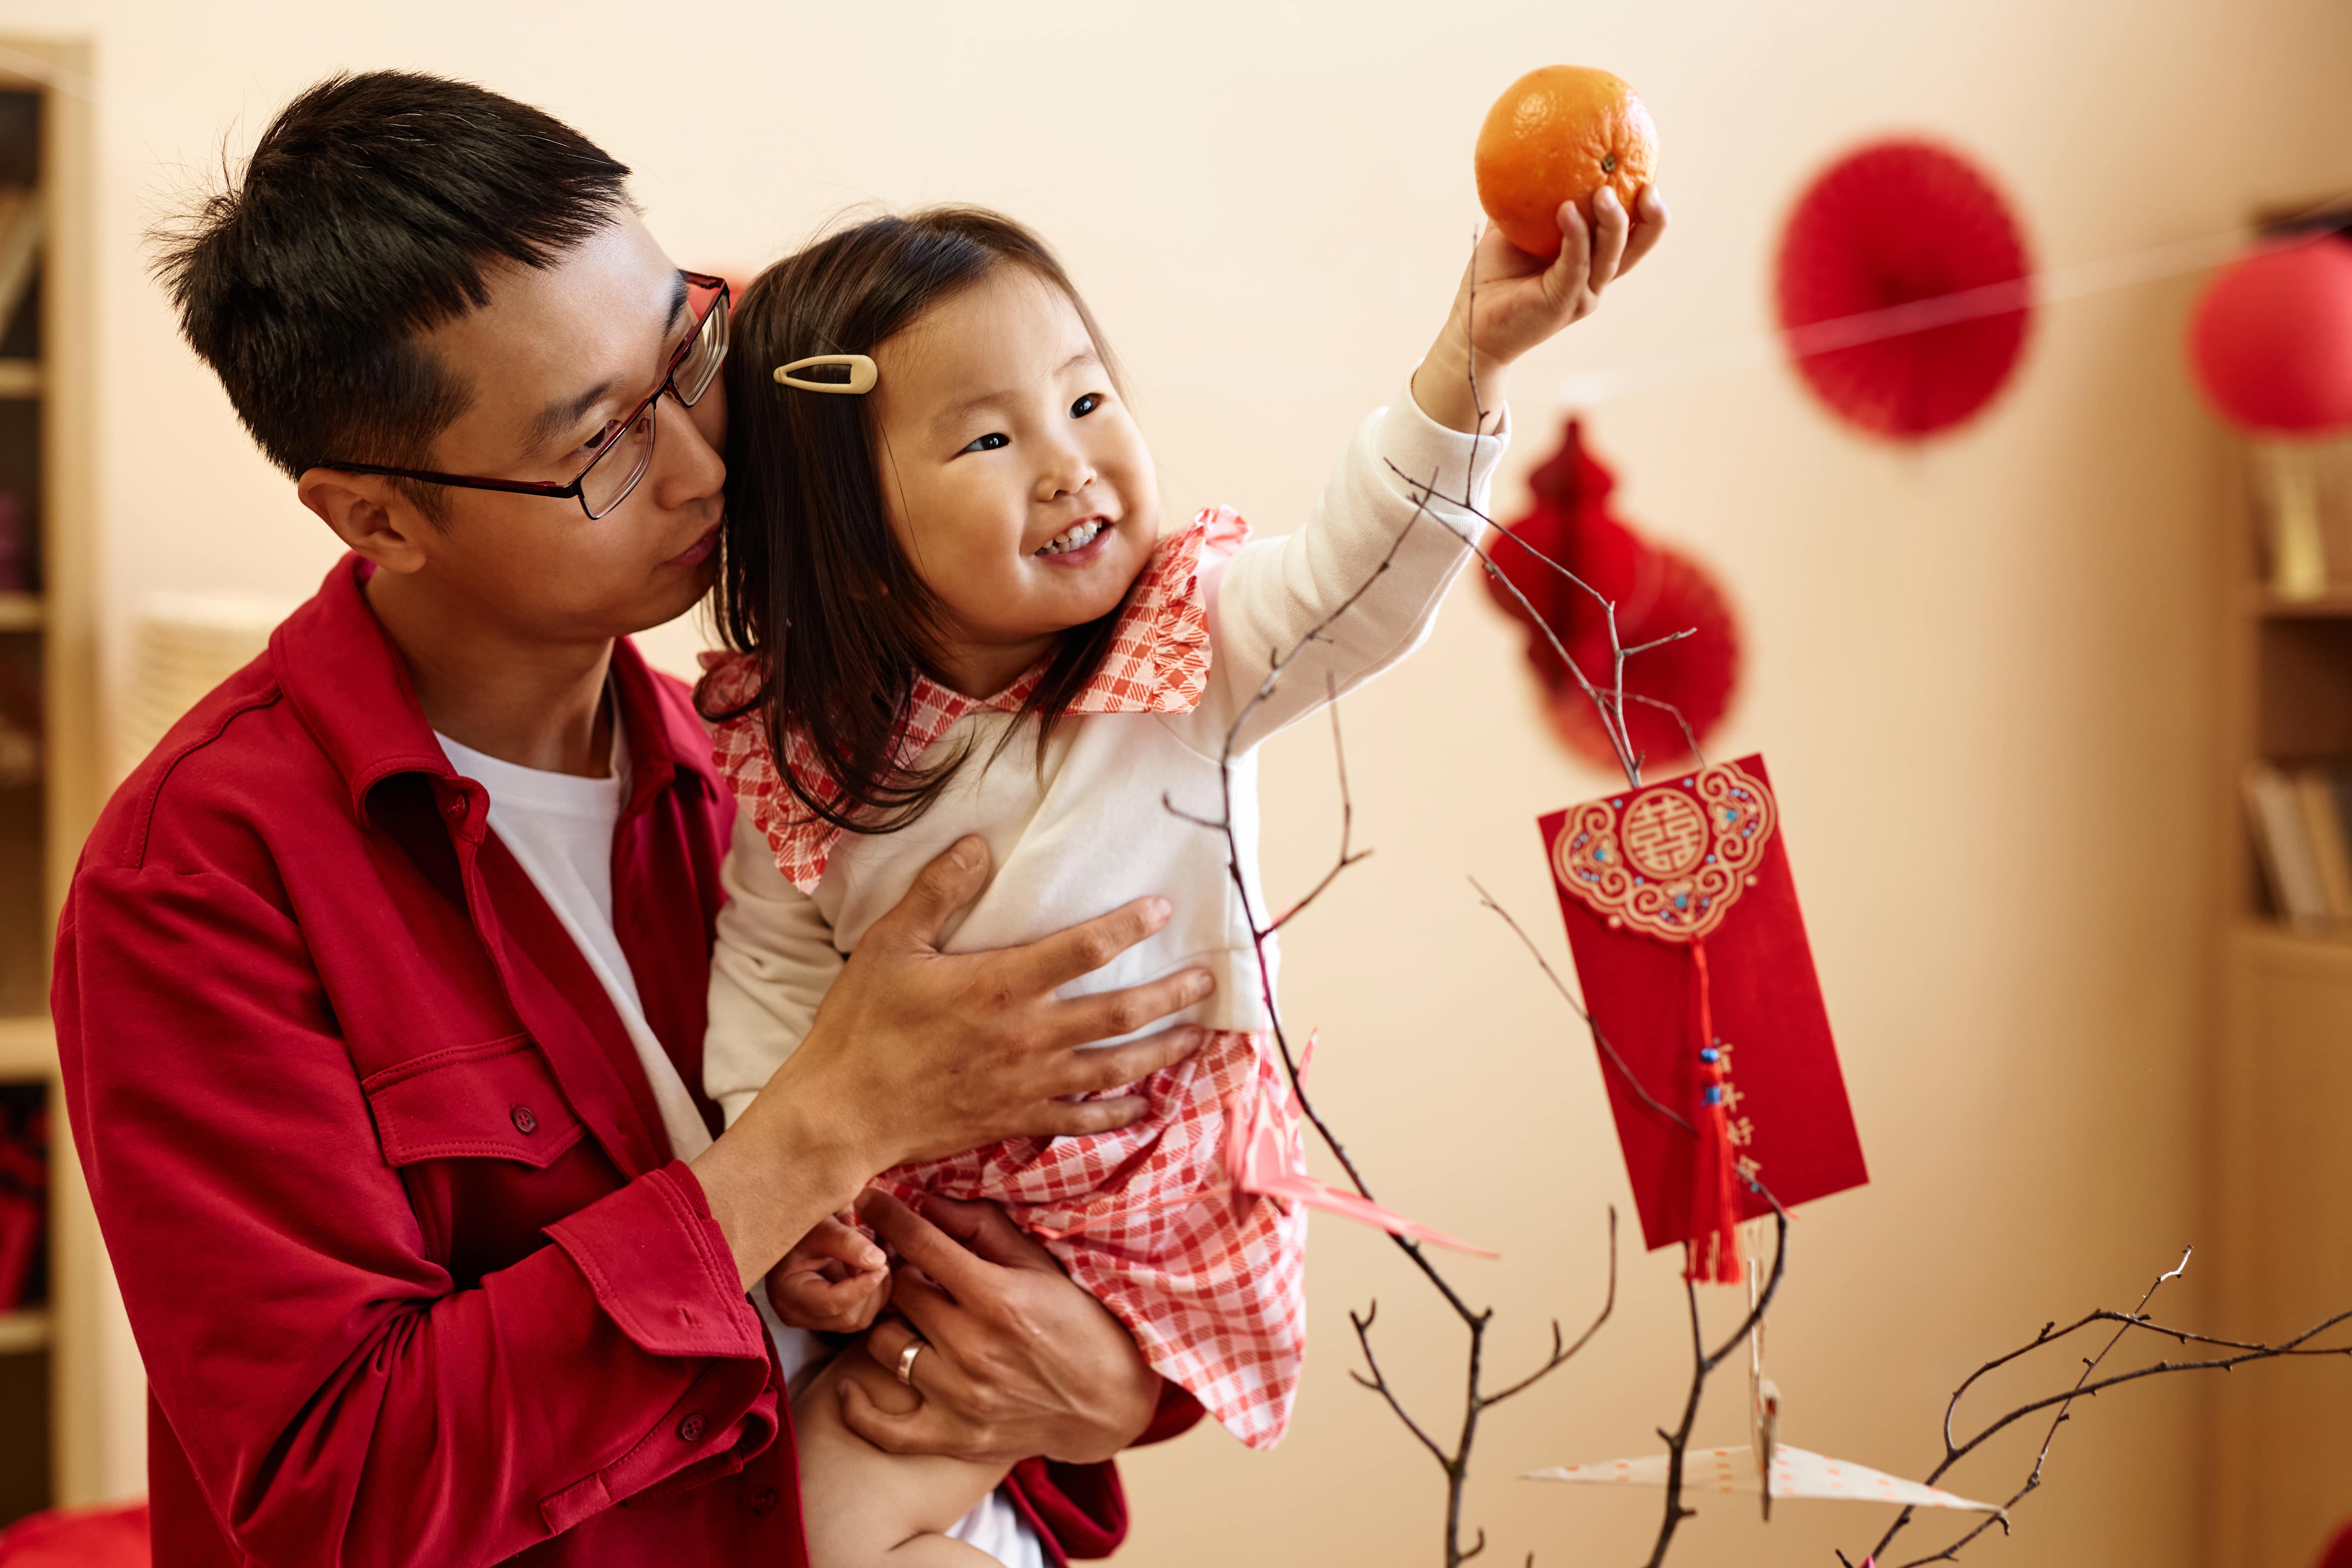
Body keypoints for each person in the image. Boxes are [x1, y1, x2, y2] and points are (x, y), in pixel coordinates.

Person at [51, 71, 1215, 1568]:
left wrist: (1116, 1384)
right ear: (378, 517)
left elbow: (1025, 1259)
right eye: (601, 442)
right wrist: (824, 1125)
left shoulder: (772, 772)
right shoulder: (202, 883)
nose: (703, 463)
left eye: (688, 352)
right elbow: (339, 1496)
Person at [695, 188, 1664, 1567]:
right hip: (926, 1211)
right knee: (801, 1485)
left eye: (1087, 401)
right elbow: (770, 967)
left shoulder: (1191, 645)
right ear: (846, 539)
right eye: (988, 435)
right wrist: (800, 1201)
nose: (1068, 465)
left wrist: (1471, 359)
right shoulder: (805, 751)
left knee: (826, 1504)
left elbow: (1362, 574)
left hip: (1138, 1197)